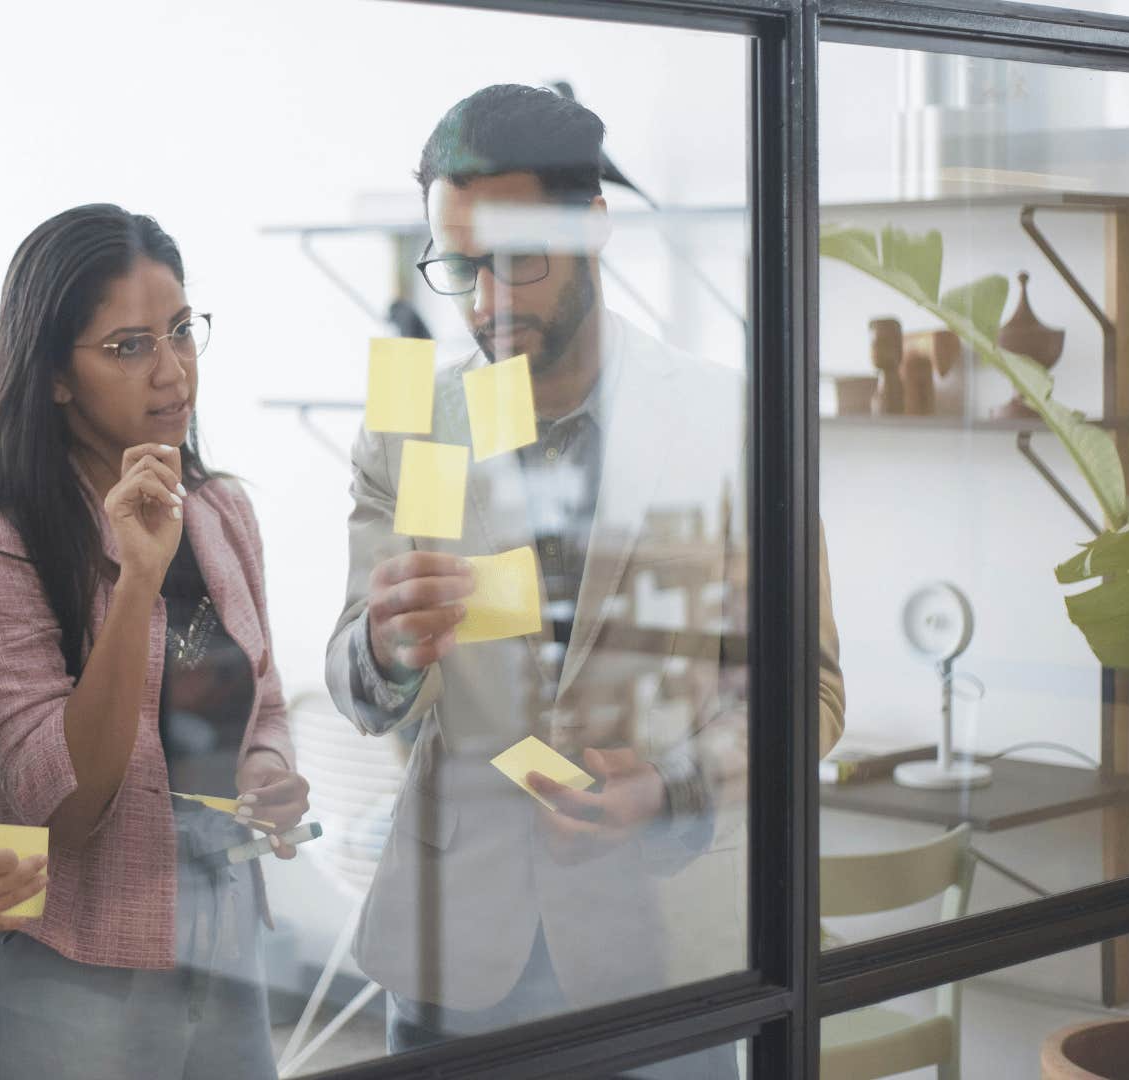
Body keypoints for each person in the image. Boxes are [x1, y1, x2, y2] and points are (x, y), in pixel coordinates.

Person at [324, 85, 846, 1073]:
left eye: (519, 260)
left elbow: (807, 694)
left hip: (659, 959)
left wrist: (668, 784)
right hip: (453, 960)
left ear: (594, 228)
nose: (487, 302)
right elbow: (359, 682)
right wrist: (385, 651)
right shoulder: (410, 421)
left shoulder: (732, 420)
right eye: (460, 266)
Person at [0, 204, 310, 1080]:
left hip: (224, 932)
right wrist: (135, 580)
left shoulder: (221, 510)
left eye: (180, 333)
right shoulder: (4, 540)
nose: (172, 374)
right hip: (76, 958)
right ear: (54, 374)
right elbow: (64, 807)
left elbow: (265, 702)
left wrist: (267, 775)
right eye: (128, 347)